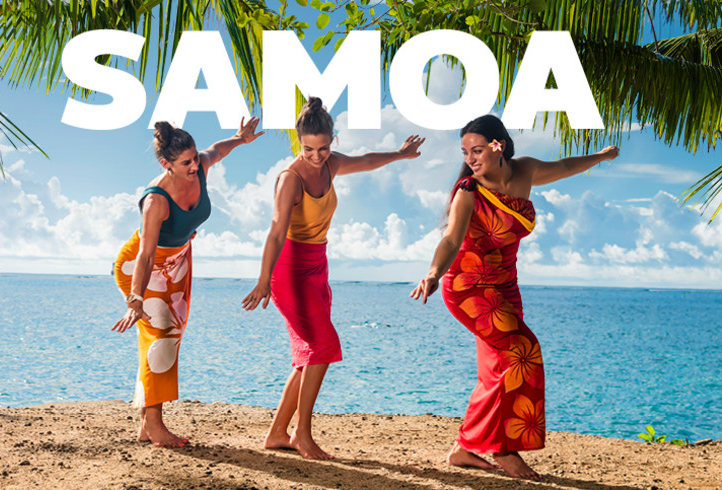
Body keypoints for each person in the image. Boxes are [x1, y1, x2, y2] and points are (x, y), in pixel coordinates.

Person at [410, 114, 618, 479]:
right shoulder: (468, 191)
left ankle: (464, 448)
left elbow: (564, 166)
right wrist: (432, 273)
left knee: (496, 370)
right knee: (524, 351)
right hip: (469, 287)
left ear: (498, 145)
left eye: (477, 150)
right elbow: (451, 238)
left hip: (506, 286)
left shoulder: (525, 171)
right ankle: (503, 448)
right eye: (465, 152)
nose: (470, 158)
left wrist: (599, 156)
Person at [242, 97, 425, 460]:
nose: (316, 156)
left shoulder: (332, 164)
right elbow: (276, 231)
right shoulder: (289, 179)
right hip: (289, 270)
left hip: (317, 267)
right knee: (322, 346)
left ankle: (277, 433)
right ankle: (302, 434)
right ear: (299, 143)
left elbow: (367, 160)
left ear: (332, 141)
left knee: (309, 356)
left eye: (323, 148)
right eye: (309, 149)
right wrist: (263, 280)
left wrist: (401, 155)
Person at [112, 117, 263, 447]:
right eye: (186, 163)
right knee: (161, 338)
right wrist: (135, 299)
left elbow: (216, 150)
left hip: (177, 261)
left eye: (195, 157)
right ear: (166, 164)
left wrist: (240, 138)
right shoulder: (156, 200)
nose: (195, 165)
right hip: (143, 267)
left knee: (171, 336)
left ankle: (146, 424)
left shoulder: (201, 166)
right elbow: (145, 255)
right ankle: (154, 425)